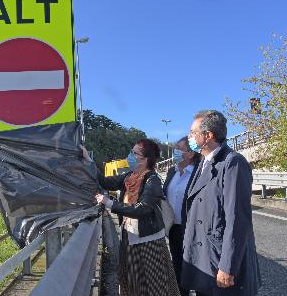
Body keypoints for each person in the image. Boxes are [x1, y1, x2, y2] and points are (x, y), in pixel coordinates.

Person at [181, 110, 261, 296]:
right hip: (203, 258)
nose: (189, 137)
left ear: (208, 135)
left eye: (193, 133)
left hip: (218, 261)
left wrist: (228, 267)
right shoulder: (203, 162)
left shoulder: (232, 162)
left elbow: (237, 219)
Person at [87, 138, 180, 296]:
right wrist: (88, 161)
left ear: (144, 159)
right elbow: (104, 182)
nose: (129, 156)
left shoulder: (152, 179)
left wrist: (110, 203)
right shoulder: (130, 176)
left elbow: (143, 209)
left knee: (154, 286)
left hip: (148, 241)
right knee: (134, 283)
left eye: (134, 153)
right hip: (130, 237)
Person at [163, 136, 201, 296]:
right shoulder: (172, 171)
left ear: (191, 154)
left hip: (192, 228)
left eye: (179, 149)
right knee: (177, 264)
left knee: (197, 268)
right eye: (175, 148)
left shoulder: (199, 172)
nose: (175, 152)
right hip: (174, 227)